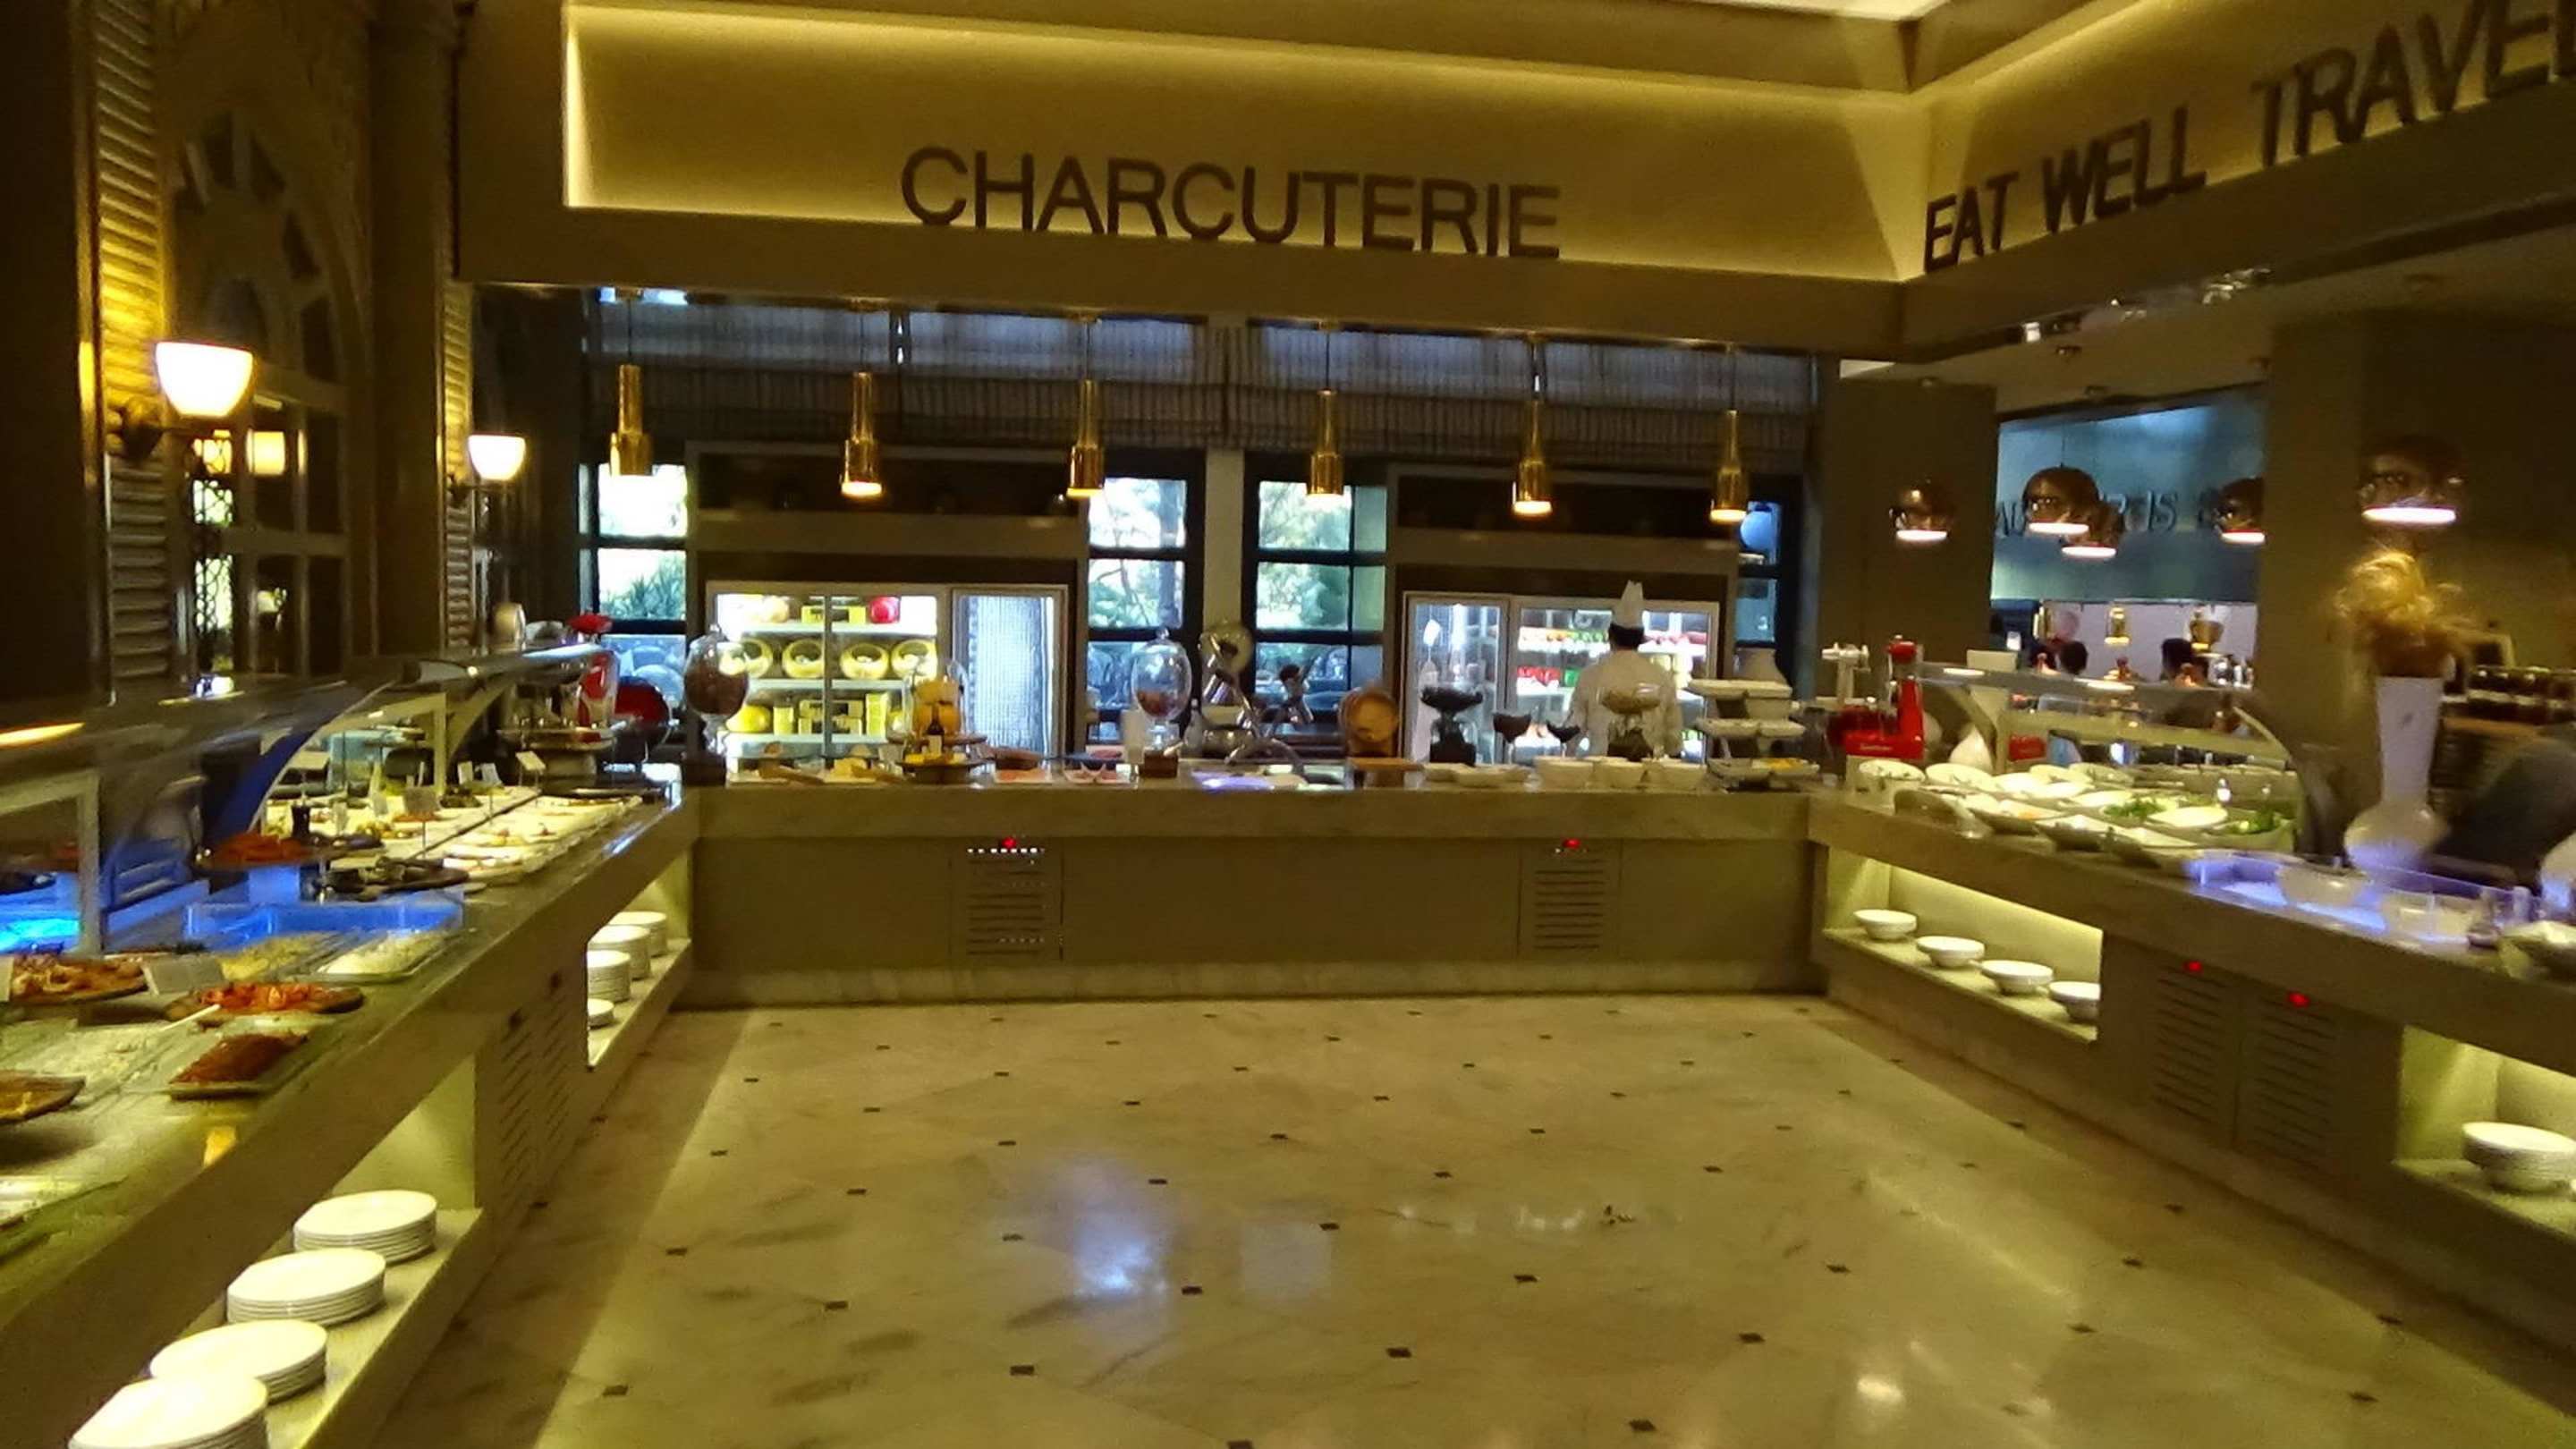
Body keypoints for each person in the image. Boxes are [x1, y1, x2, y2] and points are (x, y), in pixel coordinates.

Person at [1571, 582, 1685, 758]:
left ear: (1610, 636)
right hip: (1647, 769)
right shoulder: (1662, 676)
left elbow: (1574, 729)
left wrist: (1566, 757)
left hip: (1601, 768)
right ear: (1641, 639)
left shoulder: (1591, 675)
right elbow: (1673, 736)